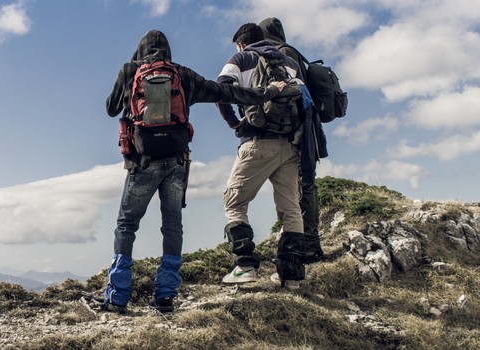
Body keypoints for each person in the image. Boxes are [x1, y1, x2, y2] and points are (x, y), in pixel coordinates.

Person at [102, 29, 285, 313]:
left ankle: (117, 296)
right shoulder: (182, 74)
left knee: (127, 224)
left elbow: (111, 109)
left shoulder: (130, 71)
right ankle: (165, 295)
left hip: (142, 162)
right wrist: (269, 92)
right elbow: (226, 91)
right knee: (172, 226)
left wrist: (131, 74)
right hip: (176, 163)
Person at [215, 23, 307, 289]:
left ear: (241, 44)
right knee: (290, 207)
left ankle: (245, 266)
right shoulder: (289, 62)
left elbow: (222, 90)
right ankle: (291, 276)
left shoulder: (241, 58)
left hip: (257, 142)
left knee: (234, 201)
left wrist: (235, 123)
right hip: (290, 145)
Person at [259, 17, 329, 265]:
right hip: (306, 128)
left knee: (303, 186)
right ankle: (307, 244)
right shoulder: (292, 52)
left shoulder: (281, 54)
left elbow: (293, 95)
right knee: (303, 185)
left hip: (299, 132)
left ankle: (307, 247)